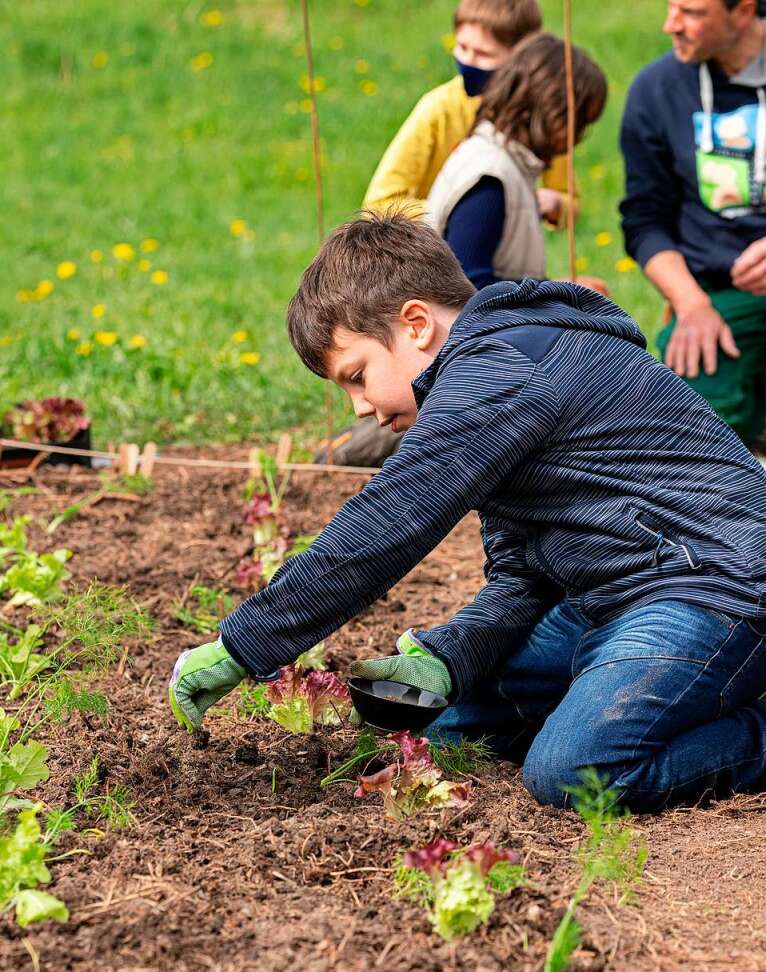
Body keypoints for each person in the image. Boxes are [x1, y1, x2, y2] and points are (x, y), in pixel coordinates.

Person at [170, 214, 766, 814]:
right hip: (613, 596)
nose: (361, 408)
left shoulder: (501, 368)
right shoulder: (487, 379)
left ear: (417, 324)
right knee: (446, 724)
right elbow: (522, 574)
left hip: (714, 586)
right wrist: (447, 658)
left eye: (358, 376)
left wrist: (242, 644)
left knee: (576, 772)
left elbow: (392, 518)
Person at [620, 0, 766, 447]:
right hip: (718, 295)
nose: (671, 25)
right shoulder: (656, 90)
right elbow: (644, 220)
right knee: (690, 426)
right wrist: (691, 305)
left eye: (692, 12)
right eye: (670, 7)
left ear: (743, 11)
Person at [363, 0, 576, 230]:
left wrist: (555, 204)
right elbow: (378, 203)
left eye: (483, 54)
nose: (468, 62)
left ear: (520, 59)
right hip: (435, 252)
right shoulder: (439, 109)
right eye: (462, 47)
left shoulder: (537, 115)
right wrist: (460, 209)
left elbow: (569, 200)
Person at [426, 32, 608, 290]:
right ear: (552, 115)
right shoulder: (490, 179)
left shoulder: (507, 165)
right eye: (579, 124)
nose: (576, 139)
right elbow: (468, 287)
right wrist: (559, 292)